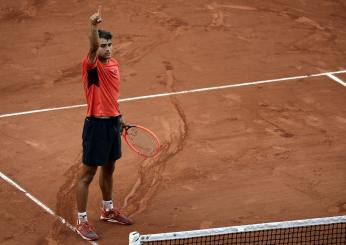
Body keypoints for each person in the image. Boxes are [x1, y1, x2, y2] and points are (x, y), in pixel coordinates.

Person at [75, 6, 133, 241]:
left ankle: (108, 210)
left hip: (111, 124)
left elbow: (112, 96)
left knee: (110, 169)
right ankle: (81, 221)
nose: (106, 49)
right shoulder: (92, 66)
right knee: (87, 174)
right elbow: (91, 47)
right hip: (96, 126)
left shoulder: (114, 64)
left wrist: (119, 116)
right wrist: (93, 26)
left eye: (109, 45)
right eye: (102, 45)